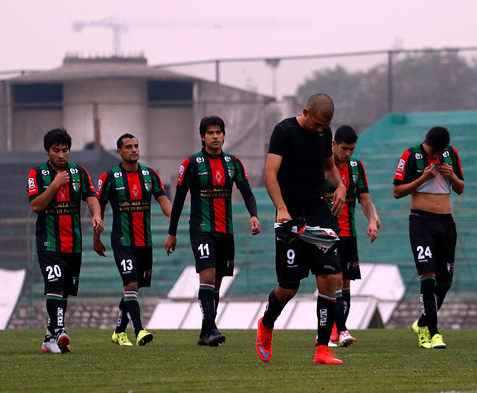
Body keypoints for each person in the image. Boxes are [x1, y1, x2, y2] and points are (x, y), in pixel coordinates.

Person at [255, 93, 348, 365]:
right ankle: (266, 325)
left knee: (331, 278)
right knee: (288, 287)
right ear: (306, 111)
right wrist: (281, 208)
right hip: (290, 217)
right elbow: (269, 174)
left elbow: (329, 167)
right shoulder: (283, 131)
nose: (320, 130)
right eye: (317, 124)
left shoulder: (324, 133)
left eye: (325, 126)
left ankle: (322, 349)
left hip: (319, 213)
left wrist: (340, 185)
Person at [165, 116, 260, 347]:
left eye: (219, 132)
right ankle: (212, 328)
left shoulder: (233, 163)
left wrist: (254, 214)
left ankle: (205, 332)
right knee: (206, 277)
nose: (215, 136)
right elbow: (178, 200)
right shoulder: (192, 163)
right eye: (210, 132)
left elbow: (246, 192)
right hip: (201, 229)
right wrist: (172, 231)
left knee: (216, 284)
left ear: (224, 135)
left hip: (225, 231)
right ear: (202, 136)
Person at [27, 128, 104, 354]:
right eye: (56, 150)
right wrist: (54, 185)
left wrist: (97, 215)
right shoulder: (37, 173)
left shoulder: (79, 172)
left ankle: (49, 339)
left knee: (64, 291)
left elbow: (91, 199)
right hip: (49, 242)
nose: (61, 155)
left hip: (73, 243)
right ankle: (60, 331)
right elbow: (36, 206)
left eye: (65, 150)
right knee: (55, 284)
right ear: (47, 151)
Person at [94, 133, 172, 347]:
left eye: (136, 145)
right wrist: (96, 237)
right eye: (128, 146)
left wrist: (171, 222)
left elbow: (163, 199)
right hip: (122, 241)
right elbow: (98, 205)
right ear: (119, 151)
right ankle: (139, 331)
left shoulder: (150, 174)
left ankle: (119, 332)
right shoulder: (109, 177)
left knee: (133, 289)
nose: (134, 149)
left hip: (144, 243)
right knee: (131, 284)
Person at [393, 126, 464, 349]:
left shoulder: (451, 154)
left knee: (445, 282)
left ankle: (422, 323)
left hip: (446, 223)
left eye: (439, 152)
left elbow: (460, 188)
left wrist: (451, 174)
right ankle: (434, 334)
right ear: (425, 142)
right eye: (432, 151)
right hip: (421, 221)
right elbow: (397, 191)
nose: (435, 156)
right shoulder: (410, 155)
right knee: (428, 277)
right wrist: (422, 178)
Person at [324, 125, 380, 347]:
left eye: (352, 149)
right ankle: (336, 330)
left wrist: (372, 219)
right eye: (345, 148)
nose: (348, 153)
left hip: (349, 233)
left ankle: (338, 332)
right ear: (334, 145)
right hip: (327, 234)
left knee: (345, 283)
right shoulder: (323, 165)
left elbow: (365, 199)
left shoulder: (357, 167)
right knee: (334, 281)